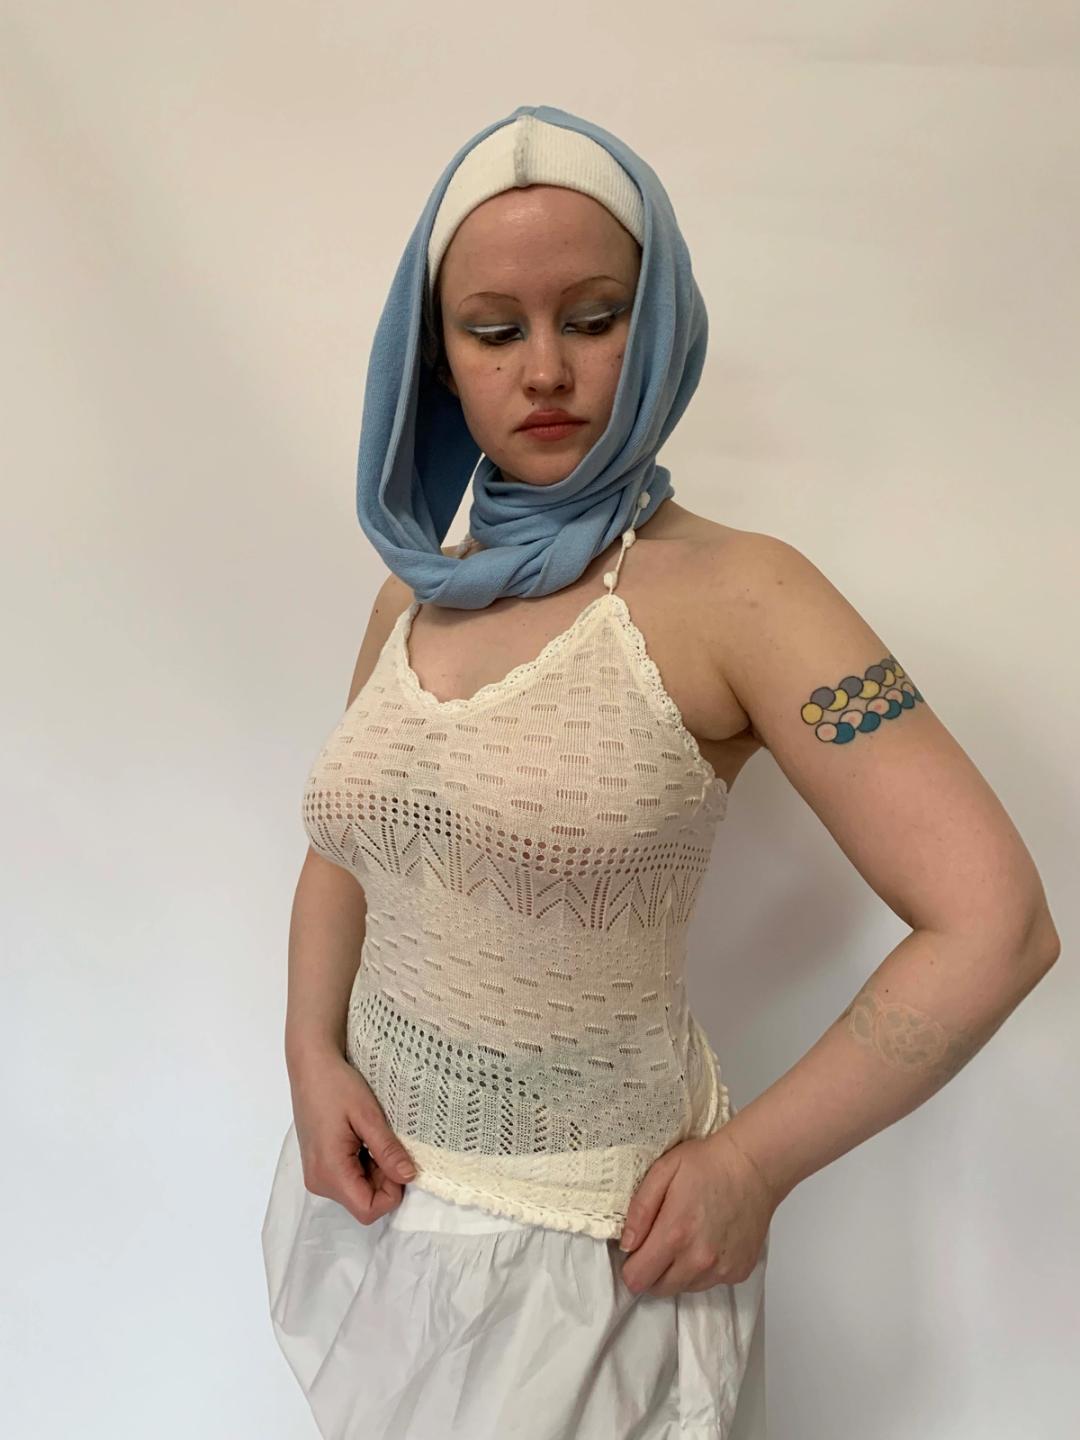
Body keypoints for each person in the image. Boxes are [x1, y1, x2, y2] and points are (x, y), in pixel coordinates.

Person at [260, 106, 1061, 1439]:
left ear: (664, 321)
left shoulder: (743, 596)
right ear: (435, 357)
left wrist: (754, 1166)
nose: (547, 370)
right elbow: (351, 847)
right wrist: (307, 1048)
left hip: (585, 1266)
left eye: (594, 316)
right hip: (376, 1211)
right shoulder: (417, 592)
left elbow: (999, 924)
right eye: (494, 330)